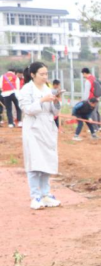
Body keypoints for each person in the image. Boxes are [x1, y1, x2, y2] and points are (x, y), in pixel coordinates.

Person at [18, 63, 60, 210]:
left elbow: (54, 113)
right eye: (42, 74)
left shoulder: (47, 88)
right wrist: (42, 100)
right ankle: (35, 195)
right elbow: (27, 109)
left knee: (47, 161)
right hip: (33, 128)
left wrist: (55, 102)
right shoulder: (26, 90)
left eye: (46, 74)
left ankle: (45, 193)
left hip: (47, 127)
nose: (45, 77)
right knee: (35, 162)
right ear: (33, 75)